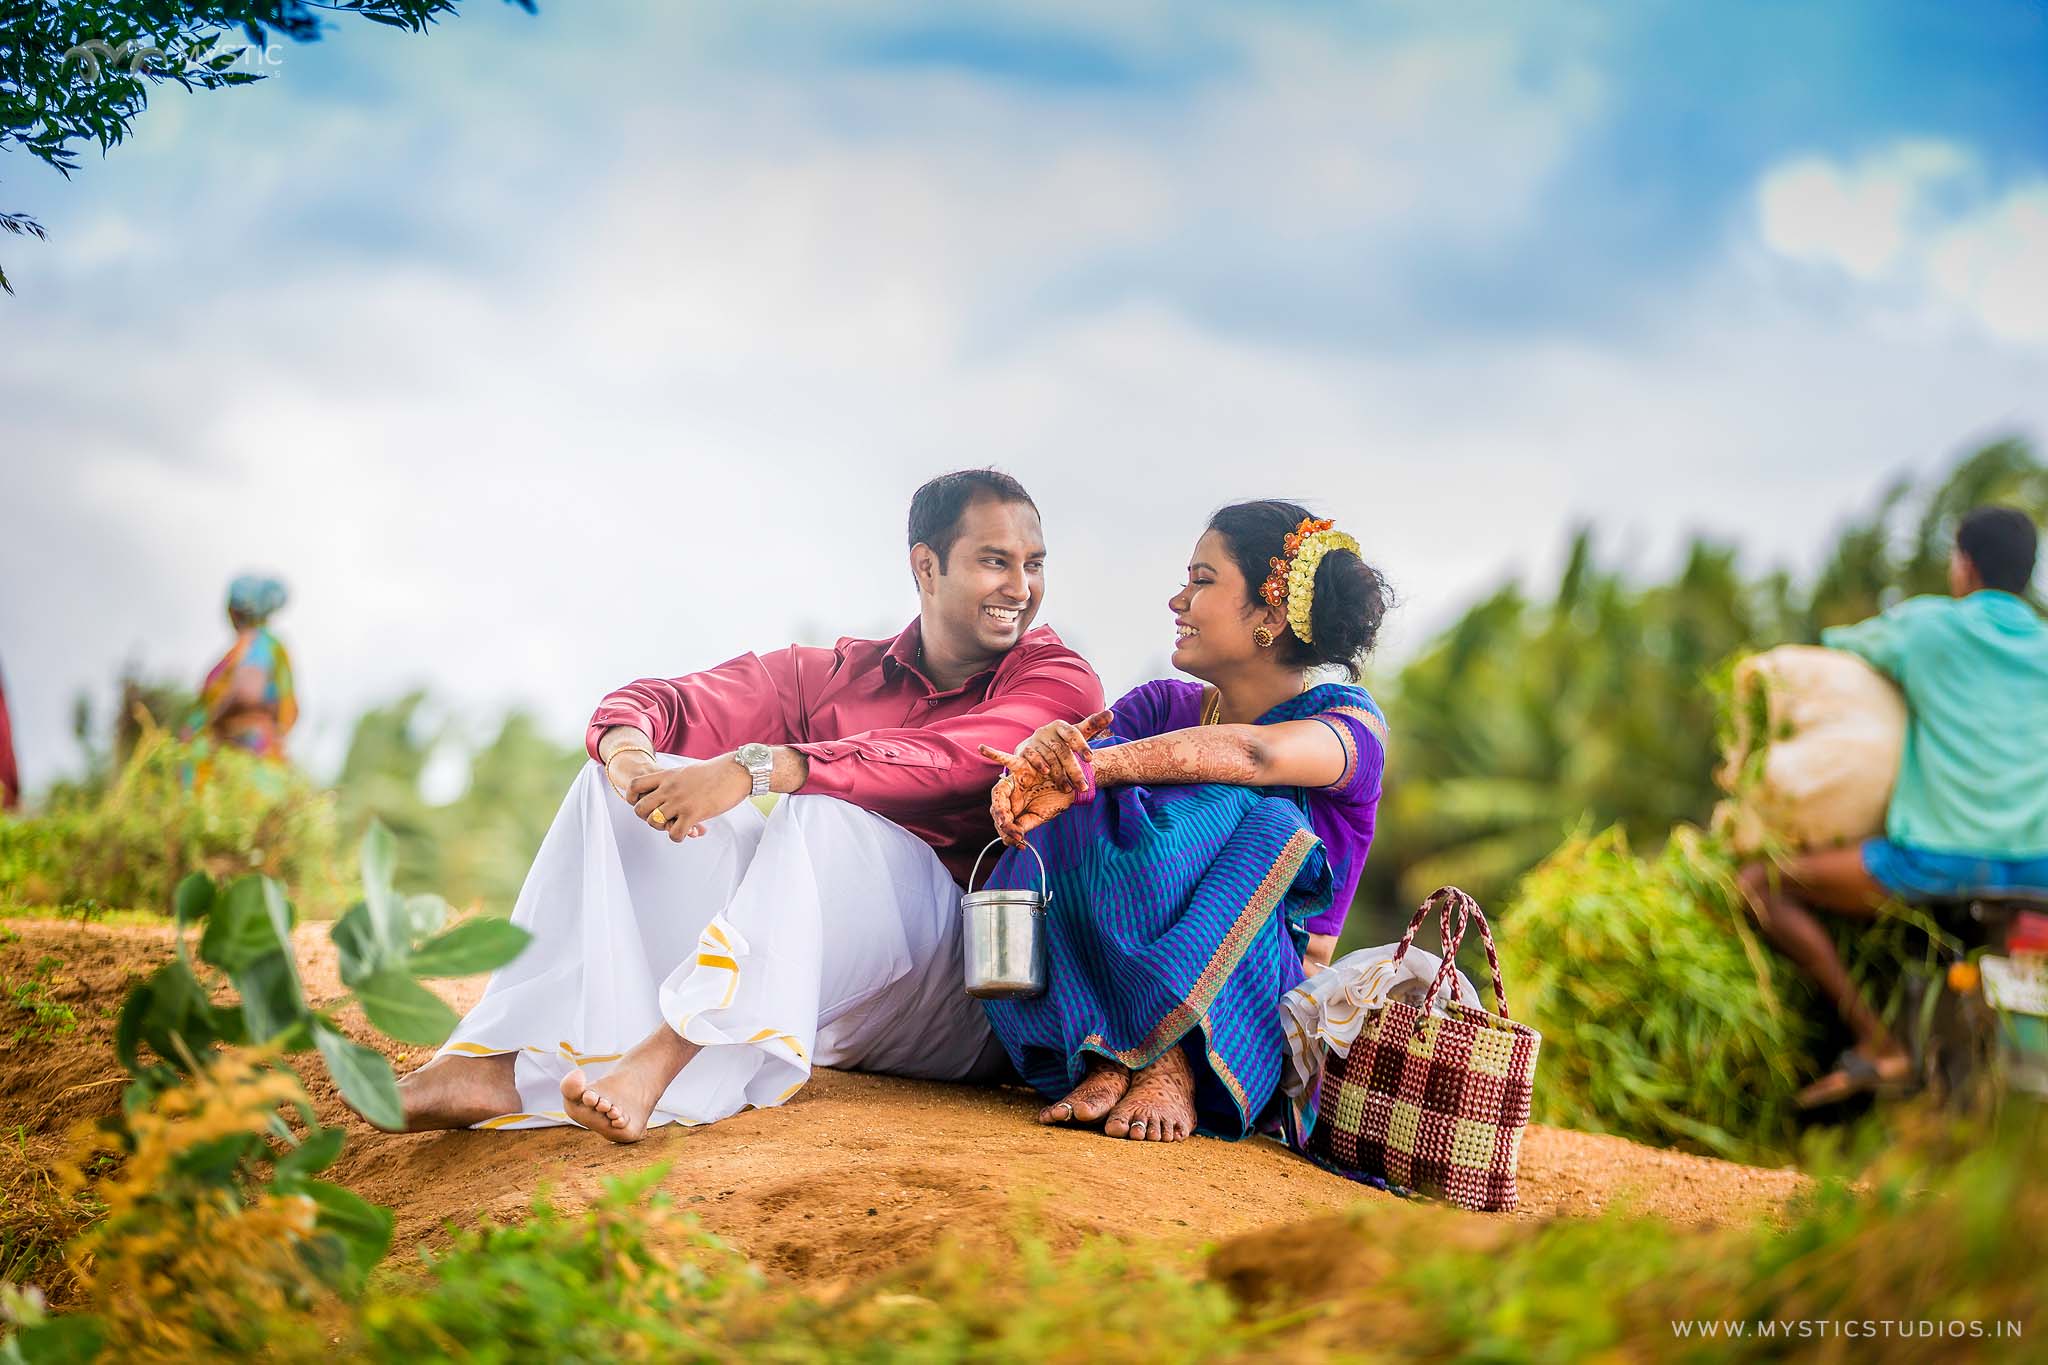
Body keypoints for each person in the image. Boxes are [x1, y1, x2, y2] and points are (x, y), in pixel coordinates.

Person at [388, 470, 1104, 1141]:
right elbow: (660, 702)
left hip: (962, 996)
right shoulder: (833, 675)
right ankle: (494, 1060)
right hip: (825, 984)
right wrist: (634, 760)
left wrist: (764, 765)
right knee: (604, 788)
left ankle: (665, 1057)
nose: (1020, 586)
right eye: (995, 561)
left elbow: (956, 761)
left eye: (1033, 563)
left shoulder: (1059, 680)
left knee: (822, 812)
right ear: (926, 566)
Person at [976, 501, 1391, 1143]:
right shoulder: (1158, 708)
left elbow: (1255, 755)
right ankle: (1125, 1052)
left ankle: (1168, 1056)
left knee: (1261, 815)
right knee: (1074, 801)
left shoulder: (1349, 729)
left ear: (1271, 617)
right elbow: (1078, 785)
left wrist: (1092, 769)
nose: (1177, 600)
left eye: (1201, 580)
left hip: (1251, 1006)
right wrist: (1045, 764)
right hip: (1105, 994)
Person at [1738, 505, 2048, 1107]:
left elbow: (1839, 651)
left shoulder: (1929, 629)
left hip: (1936, 862)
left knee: (1759, 883)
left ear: (1965, 566)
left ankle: (1880, 1044)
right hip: (2039, 872)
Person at [184, 575, 298, 760]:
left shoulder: (257, 644)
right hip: (255, 753)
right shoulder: (268, 647)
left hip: (237, 755)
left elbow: (247, 690)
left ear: (235, 610)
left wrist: (212, 724)